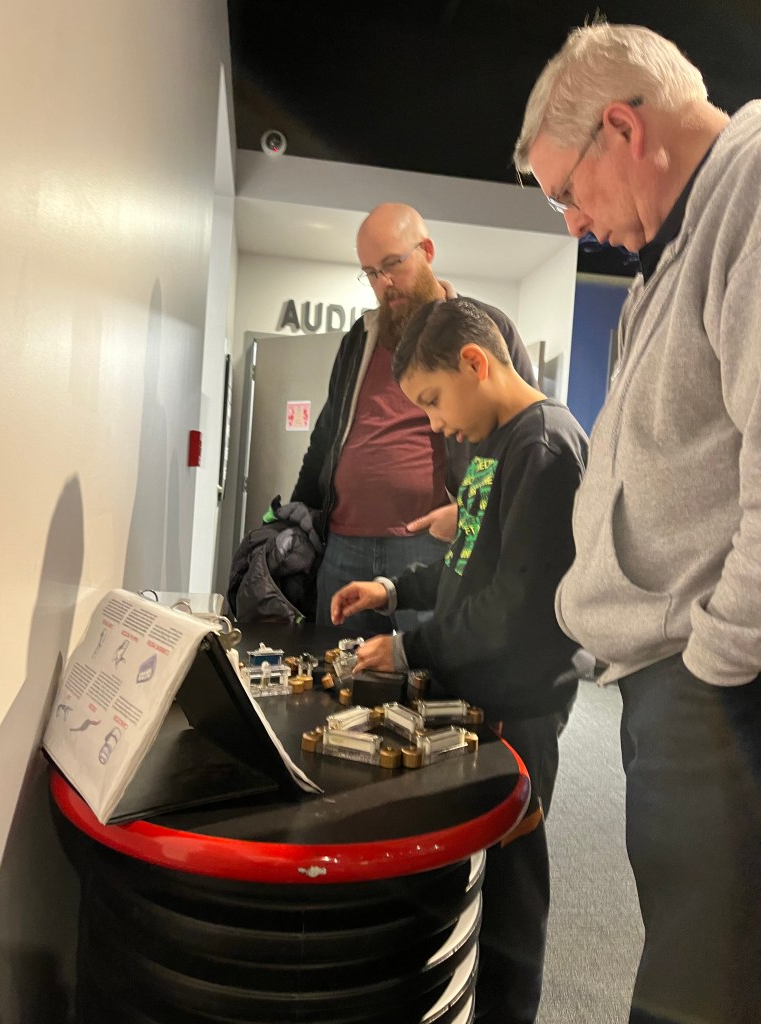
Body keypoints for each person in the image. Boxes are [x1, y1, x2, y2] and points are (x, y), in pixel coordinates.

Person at [514, 20, 761, 1024]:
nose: (574, 223)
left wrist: (716, 662)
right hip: (672, 684)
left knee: (700, 995)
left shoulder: (751, 186)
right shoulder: (671, 251)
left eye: (568, 192)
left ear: (622, 128)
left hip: (715, 689)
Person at [331, 298, 588, 1024]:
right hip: (481, 696)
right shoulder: (496, 442)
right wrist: (392, 589)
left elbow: (512, 607)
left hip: (521, 711)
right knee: (469, 877)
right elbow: (466, 563)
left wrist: (410, 646)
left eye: (433, 400)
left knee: (511, 895)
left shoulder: (543, 448)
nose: (435, 424)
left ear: (475, 363)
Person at [289, 202, 536, 634]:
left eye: (392, 265)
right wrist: (294, 518)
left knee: (425, 668)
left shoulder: (483, 326)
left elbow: (516, 433)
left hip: (431, 546)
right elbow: (327, 437)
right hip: (344, 545)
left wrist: (470, 513)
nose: (383, 283)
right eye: (370, 272)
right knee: (332, 670)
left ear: (427, 251)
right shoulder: (360, 337)